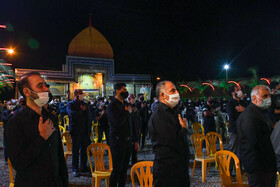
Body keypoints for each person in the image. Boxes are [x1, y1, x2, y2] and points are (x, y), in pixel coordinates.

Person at [6, 72, 68, 186]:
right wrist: (42, 137)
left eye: (45, 85)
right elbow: (18, 163)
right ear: (27, 92)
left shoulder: (50, 118)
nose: (46, 89)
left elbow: (59, 156)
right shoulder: (16, 122)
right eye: (40, 86)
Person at [148, 81, 190, 187]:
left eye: (176, 90)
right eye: (172, 90)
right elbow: (173, 142)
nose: (177, 93)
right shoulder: (159, 116)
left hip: (180, 169)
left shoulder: (173, 112)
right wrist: (184, 129)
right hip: (168, 172)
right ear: (162, 95)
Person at [237, 85, 276, 186]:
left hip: (265, 165)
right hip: (259, 166)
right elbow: (255, 141)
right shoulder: (250, 115)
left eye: (269, 96)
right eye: (265, 96)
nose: (268, 99)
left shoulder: (259, 112)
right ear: (254, 98)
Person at [107, 83, 131, 187]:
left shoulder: (125, 104)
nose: (126, 92)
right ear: (117, 91)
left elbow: (130, 123)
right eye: (123, 89)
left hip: (127, 140)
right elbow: (117, 122)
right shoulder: (112, 105)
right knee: (117, 169)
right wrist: (126, 112)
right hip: (117, 141)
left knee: (124, 170)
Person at [67, 89, 91, 177]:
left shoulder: (85, 104)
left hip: (85, 132)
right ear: (75, 95)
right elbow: (72, 114)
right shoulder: (71, 104)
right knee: (75, 150)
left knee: (84, 151)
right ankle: (75, 168)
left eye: (82, 94)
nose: (81, 95)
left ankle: (84, 167)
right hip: (76, 131)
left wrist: (89, 131)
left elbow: (88, 118)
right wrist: (81, 111)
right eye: (80, 94)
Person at [226, 86, 247, 175]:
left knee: (242, 150)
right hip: (234, 130)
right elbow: (232, 115)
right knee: (232, 150)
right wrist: (242, 111)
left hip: (244, 129)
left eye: (239, 90)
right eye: (237, 90)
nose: (239, 91)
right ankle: (229, 171)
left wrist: (243, 110)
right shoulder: (230, 103)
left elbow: (249, 112)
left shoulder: (243, 102)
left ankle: (240, 169)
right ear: (232, 93)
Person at [127, 94, 140, 165]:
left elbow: (138, 118)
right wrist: (132, 113)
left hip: (136, 128)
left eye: (133, 98)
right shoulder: (126, 107)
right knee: (130, 147)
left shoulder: (135, 106)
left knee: (135, 146)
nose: (132, 99)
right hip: (129, 130)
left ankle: (134, 160)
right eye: (131, 98)